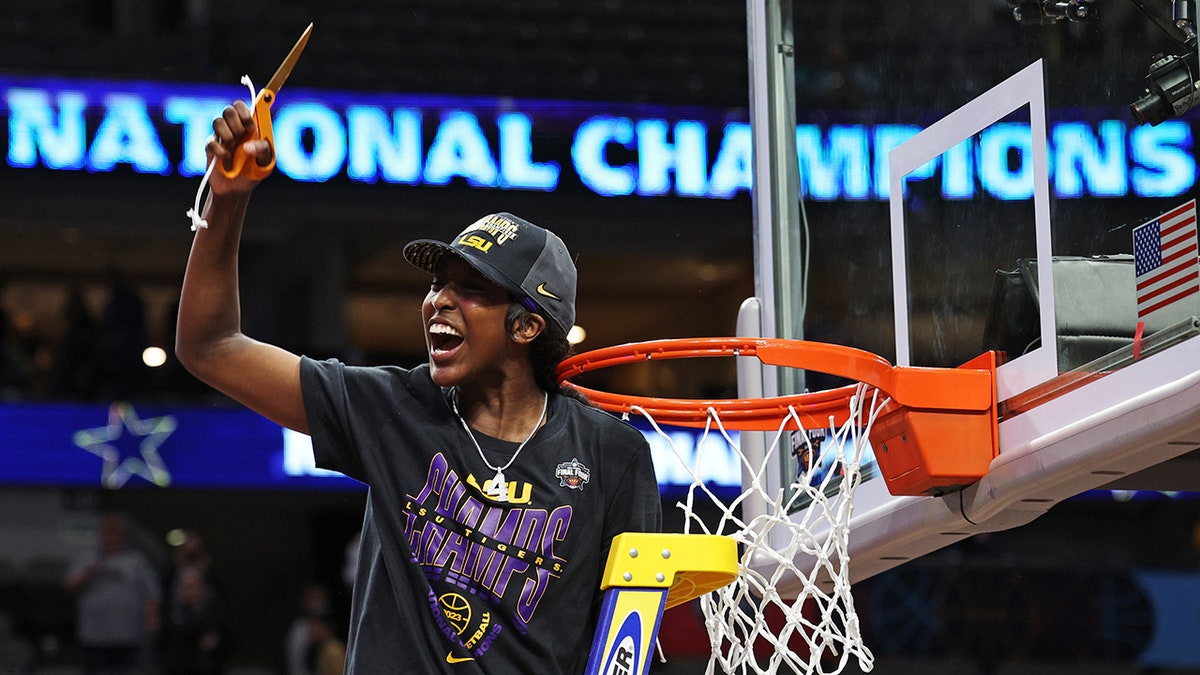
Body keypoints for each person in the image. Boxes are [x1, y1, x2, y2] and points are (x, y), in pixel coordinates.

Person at [175, 101, 661, 673]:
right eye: (438, 283)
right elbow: (210, 347)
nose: (439, 300)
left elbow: (629, 633)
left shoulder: (610, 452)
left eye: (472, 288)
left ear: (527, 325)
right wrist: (228, 202)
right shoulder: (392, 407)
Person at [63, 512, 161, 675]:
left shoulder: (136, 560)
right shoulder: (87, 557)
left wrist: (152, 621)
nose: (110, 536)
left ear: (122, 535)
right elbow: (69, 586)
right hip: (94, 634)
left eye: (115, 532)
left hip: (128, 634)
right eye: (107, 532)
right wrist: (87, 573)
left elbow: (152, 594)